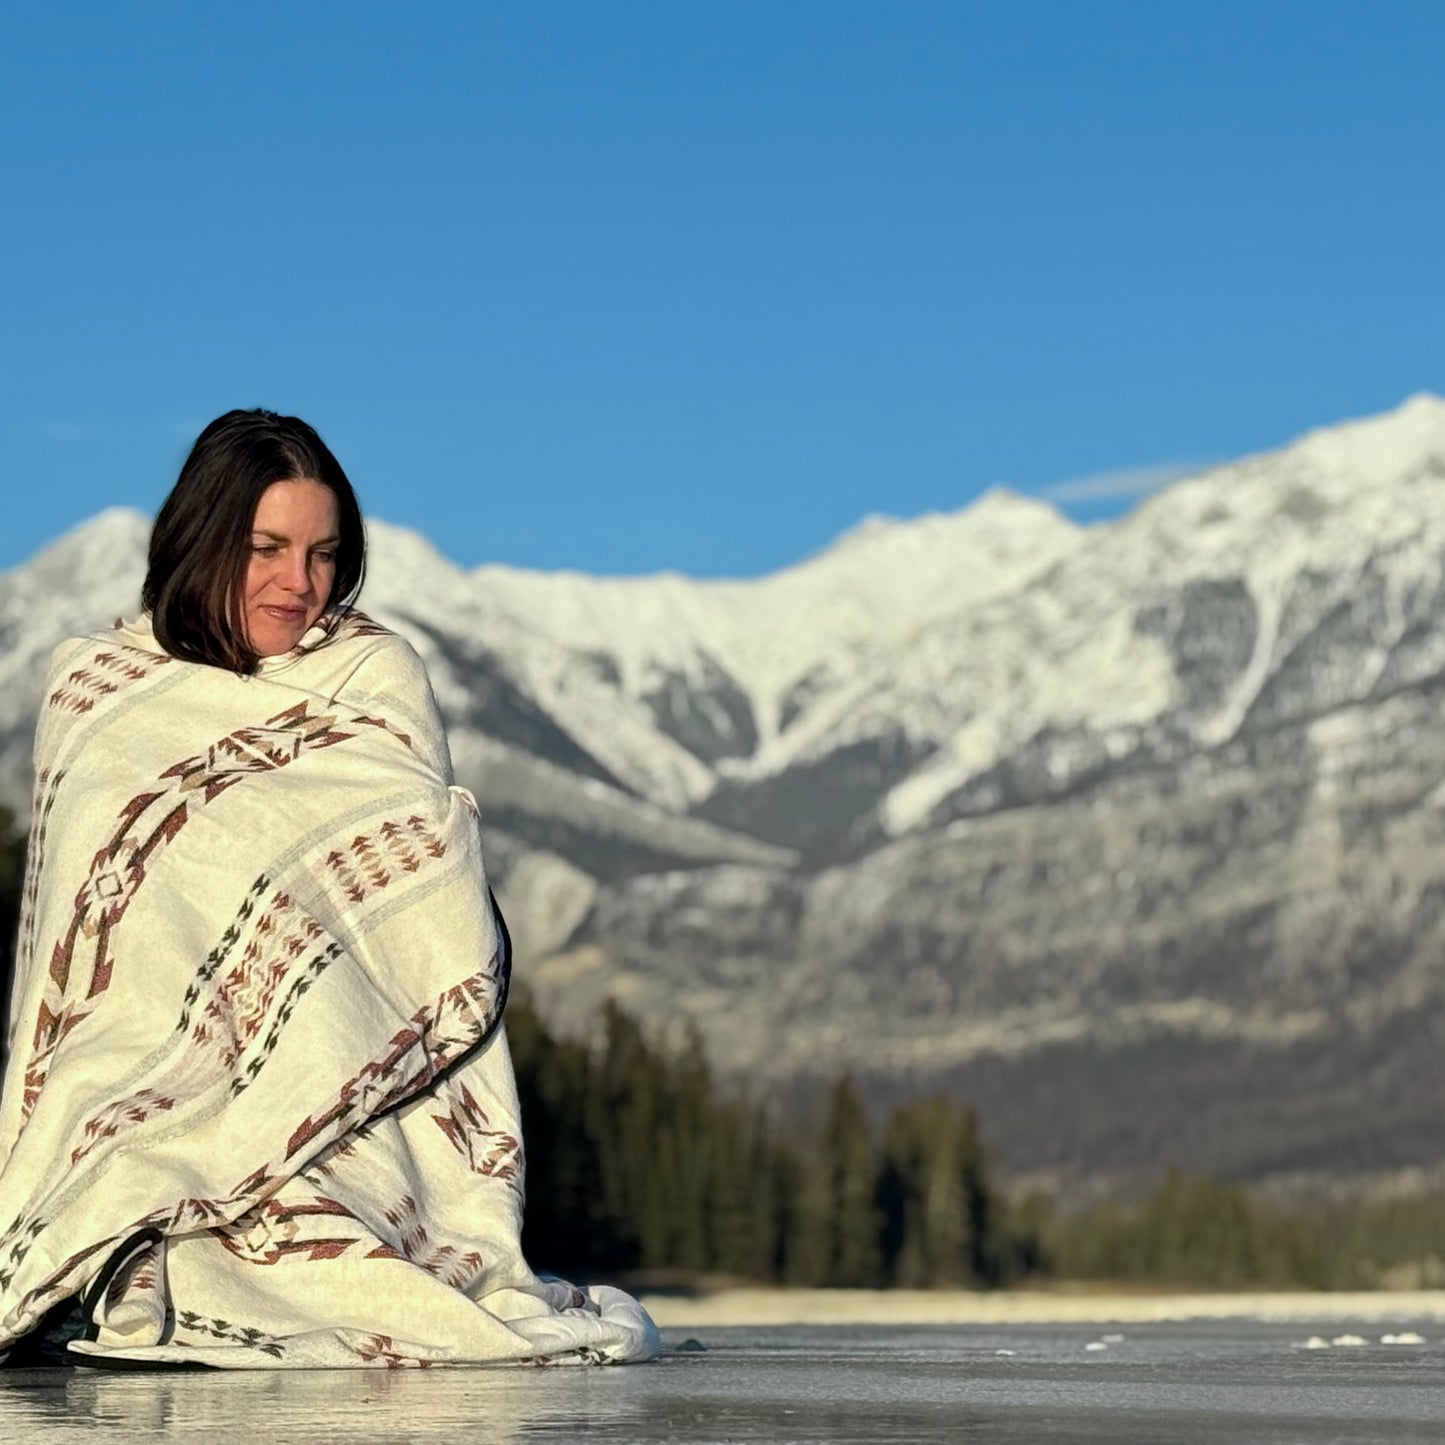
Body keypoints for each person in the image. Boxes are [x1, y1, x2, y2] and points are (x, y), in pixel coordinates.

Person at [0, 410, 658, 1368]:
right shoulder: (96, 688)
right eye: (265, 547)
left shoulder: (371, 675)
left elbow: (419, 913)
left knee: (321, 1256)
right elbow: (83, 945)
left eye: (321, 553)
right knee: (145, 1213)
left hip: (354, 1097)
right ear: (202, 537)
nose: (297, 583)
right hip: (129, 1087)